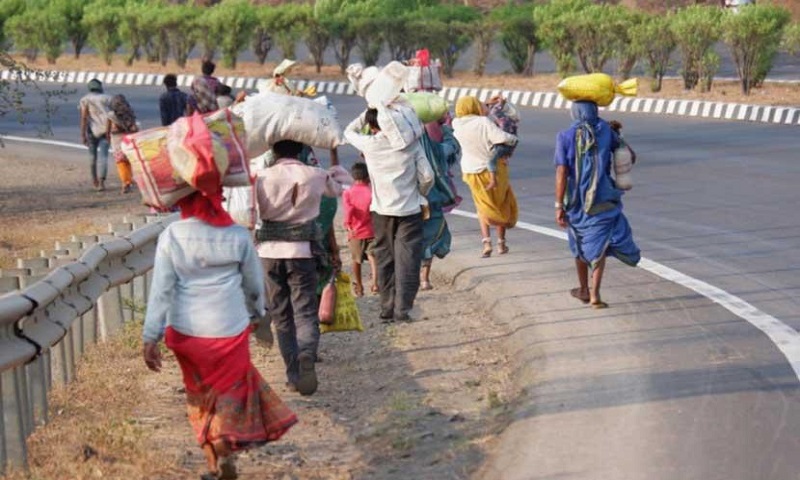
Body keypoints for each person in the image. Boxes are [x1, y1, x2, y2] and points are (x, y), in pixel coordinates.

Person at [142, 155, 297, 480]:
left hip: (186, 332)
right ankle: (225, 441)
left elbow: (161, 290)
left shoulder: (173, 235)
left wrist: (150, 335)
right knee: (228, 391)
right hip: (229, 329)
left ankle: (213, 462)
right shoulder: (237, 236)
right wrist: (257, 316)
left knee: (198, 393)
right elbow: (255, 287)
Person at [254, 140, 346, 396]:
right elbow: (338, 189)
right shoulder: (315, 174)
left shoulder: (261, 176)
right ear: (301, 151)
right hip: (302, 253)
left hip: (269, 253)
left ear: (273, 151)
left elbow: (250, 212)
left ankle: (293, 374)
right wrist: (334, 161)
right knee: (305, 311)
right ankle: (306, 352)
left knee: (281, 315)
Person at [344, 108, 434, 322]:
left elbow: (348, 132)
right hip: (410, 211)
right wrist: (419, 193)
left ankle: (386, 309)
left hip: (381, 211)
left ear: (373, 126)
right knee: (408, 260)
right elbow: (428, 176)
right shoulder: (411, 143)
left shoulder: (370, 143)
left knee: (385, 259)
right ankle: (402, 310)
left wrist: (367, 111)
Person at [554, 101, 641, 309]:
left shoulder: (565, 136)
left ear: (575, 113)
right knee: (600, 245)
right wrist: (616, 134)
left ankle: (584, 288)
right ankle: (595, 293)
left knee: (580, 242)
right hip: (604, 199)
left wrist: (559, 205)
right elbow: (631, 157)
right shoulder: (606, 132)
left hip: (576, 202)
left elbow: (561, 173)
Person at [452, 96, 518, 258]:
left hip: (470, 171)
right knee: (500, 203)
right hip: (493, 171)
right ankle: (501, 243)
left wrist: (487, 104)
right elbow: (501, 137)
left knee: (482, 205)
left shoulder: (457, 124)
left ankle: (486, 242)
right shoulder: (483, 122)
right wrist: (513, 139)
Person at [419, 118, 461, 291]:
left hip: (399, 201)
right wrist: (444, 130)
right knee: (431, 235)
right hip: (429, 199)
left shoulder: (391, 147)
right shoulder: (433, 149)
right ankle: (424, 279)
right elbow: (451, 147)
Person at [343, 162, 378, 297]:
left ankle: (359, 285)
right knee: (373, 257)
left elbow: (349, 209)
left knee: (356, 260)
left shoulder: (348, 192)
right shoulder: (371, 192)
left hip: (356, 232)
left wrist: (348, 224)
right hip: (371, 230)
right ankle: (375, 283)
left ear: (353, 176)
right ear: (368, 177)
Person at [79, 79, 111, 191]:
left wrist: (82, 134)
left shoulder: (84, 100)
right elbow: (111, 116)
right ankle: (102, 182)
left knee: (92, 157)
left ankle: (94, 181)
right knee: (104, 157)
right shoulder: (107, 98)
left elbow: (83, 118)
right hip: (106, 131)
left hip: (91, 131)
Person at [106, 94, 138, 194]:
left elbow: (108, 129)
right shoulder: (129, 112)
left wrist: (107, 137)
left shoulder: (111, 115)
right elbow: (134, 126)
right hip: (128, 139)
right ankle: (129, 179)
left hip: (116, 140)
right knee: (128, 160)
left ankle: (126, 182)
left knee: (120, 162)